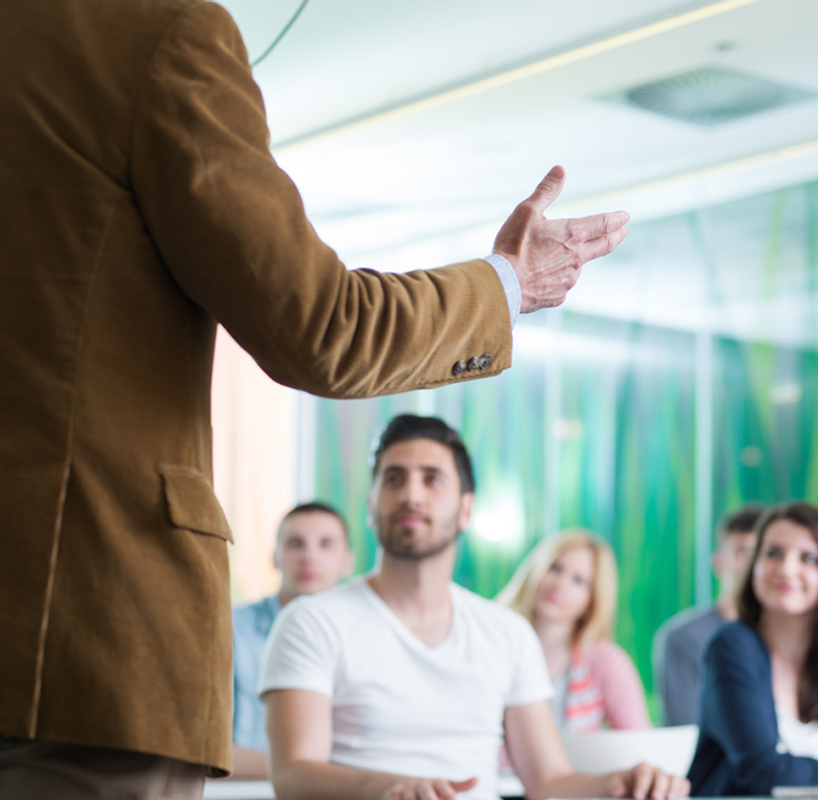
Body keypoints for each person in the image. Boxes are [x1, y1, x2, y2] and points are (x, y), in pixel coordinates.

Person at [0, 0, 631, 793]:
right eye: (399, 475)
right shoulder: (148, 33)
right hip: (81, 629)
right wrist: (507, 286)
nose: (413, 494)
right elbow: (323, 327)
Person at [259, 415, 688, 800]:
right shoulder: (312, 621)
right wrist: (391, 787)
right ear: (371, 507)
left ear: (466, 510)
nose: (411, 494)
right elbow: (293, 776)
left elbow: (550, 782)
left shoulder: (506, 633)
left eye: (432, 479)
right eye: (394, 479)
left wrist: (620, 782)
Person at [687, 502, 818, 796]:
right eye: (772, 553)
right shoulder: (731, 646)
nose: (786, 569)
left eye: (808, 558)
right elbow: (761, 771)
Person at [231, 502, 355, 778]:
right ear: (274, 557)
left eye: (325, 544)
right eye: (295, 544)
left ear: (348, 562)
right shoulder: (229, 632)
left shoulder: (370, 638)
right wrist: (301, 771)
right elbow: (204, 752)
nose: (309, 556)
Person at [498, 531, 650, 732]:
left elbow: (639, 741)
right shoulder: (492, 641)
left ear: (592, 601)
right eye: (555, 568)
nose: (560, 584)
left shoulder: (606, 663)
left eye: (578, 581)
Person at [652, 505, 762, 726]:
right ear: (718, 562)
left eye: (765, 553)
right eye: (743, 553)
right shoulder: (682, 638)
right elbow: (684, 729)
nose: (753, 565)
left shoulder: (785, 637)